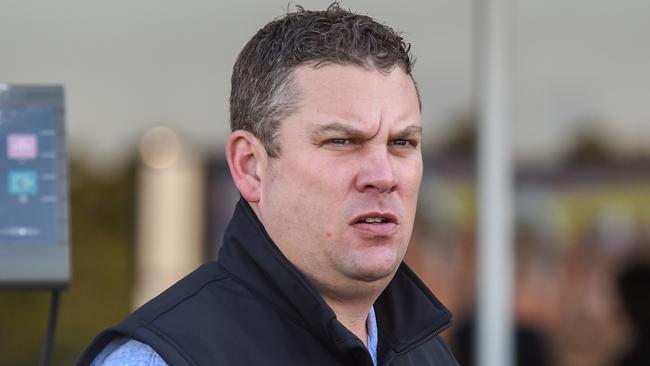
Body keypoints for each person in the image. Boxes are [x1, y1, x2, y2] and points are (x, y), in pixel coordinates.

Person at [77, 4, 457, 365]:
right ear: (250, 167)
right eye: (341, 142)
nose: (383, 176)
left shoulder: (429, 357)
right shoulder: (162, 359)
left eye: (402, 143)